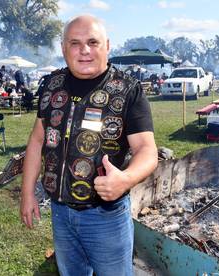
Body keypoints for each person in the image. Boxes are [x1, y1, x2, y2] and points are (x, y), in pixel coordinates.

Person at [20, 15, 158, 275]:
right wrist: (28, 193)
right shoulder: (52, 85)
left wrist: (125, 178)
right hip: (60, 212)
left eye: (92, 42)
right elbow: (38, 140)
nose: (84, 50)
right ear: (63, 48)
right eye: (75, 43)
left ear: (107, 46)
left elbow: (147, 151)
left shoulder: (128, 90)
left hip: (105, 217)